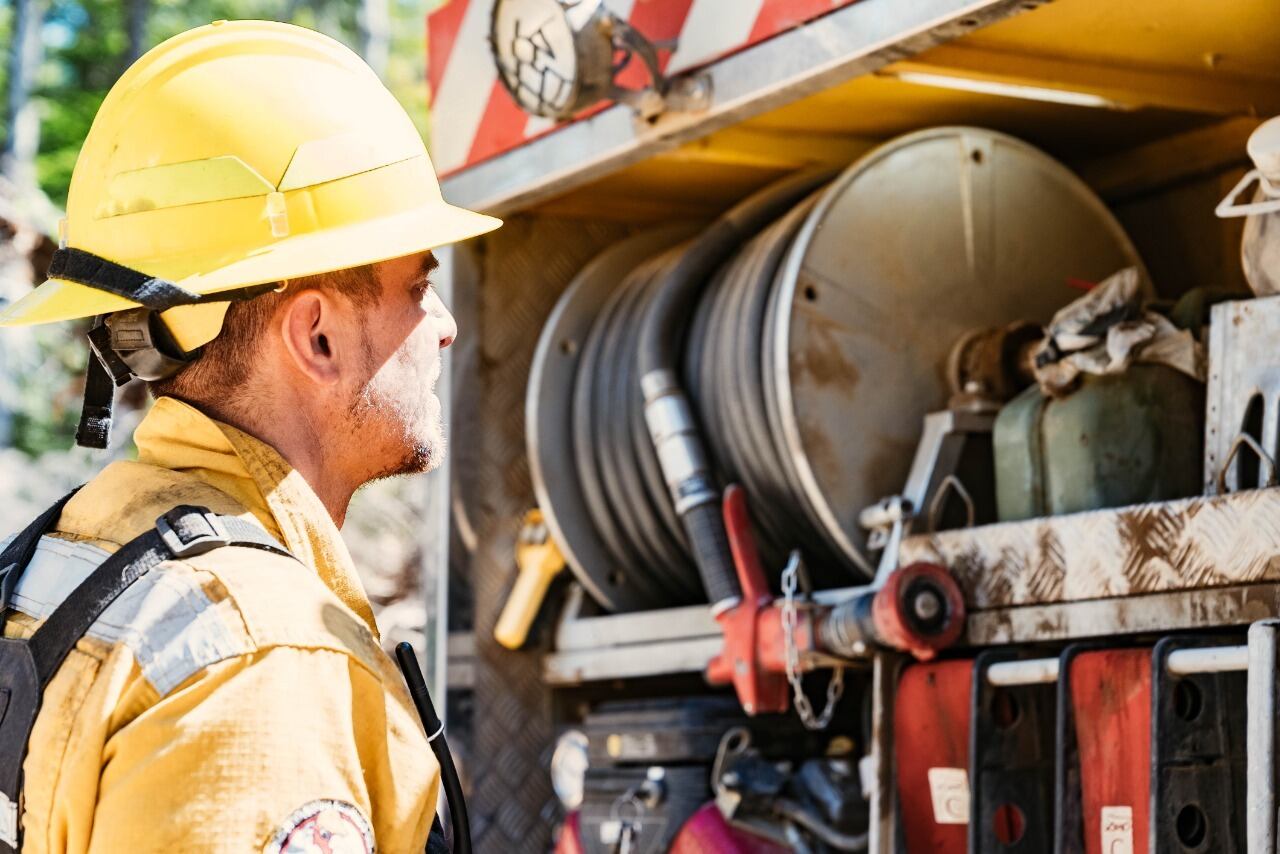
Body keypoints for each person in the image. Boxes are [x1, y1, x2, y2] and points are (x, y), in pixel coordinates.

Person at [0, 19, 499, 854]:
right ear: (319, 339)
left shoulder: (56, 554)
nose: (442, 327)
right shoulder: (263, 657)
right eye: (417, 287)